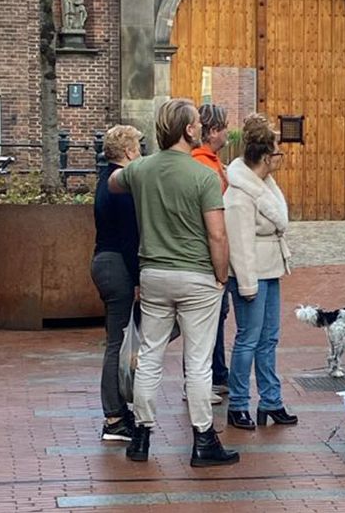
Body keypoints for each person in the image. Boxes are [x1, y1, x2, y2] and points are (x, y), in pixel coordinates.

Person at [109, 99, 239, 467]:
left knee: (150, 355)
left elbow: (114, 181)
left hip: (153, 274)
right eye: (197, 122)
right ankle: (203, 439)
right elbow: (217, 236)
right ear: (188, 130)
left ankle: (142, 436)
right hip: (196, 274)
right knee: (197, 361)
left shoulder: (144, 170)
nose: (200, 126)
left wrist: (137, 171)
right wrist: (221, 276)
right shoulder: (203, 176)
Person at [223, 114, 296, 430]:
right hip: (251, 273)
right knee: (248, 339)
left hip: (271, 268)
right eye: (277, 152)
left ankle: (271, 399)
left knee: (269, 338)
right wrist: (247, 284)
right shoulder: (240, 194)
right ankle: (238, 403)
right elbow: (239, 244)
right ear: (266, 157)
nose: (280, 158)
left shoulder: (265, 184)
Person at [90, 124, 142, 443]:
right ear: (127, 152)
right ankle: (114, 417)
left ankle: (118, 412)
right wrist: (137, 279)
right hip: (117, 265)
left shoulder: (104, 180)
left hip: (105, 262)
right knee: (118, 343)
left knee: (119, 341)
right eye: (138, 147)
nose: (141, 152)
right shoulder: (119, 185)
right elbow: (128, 238)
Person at [190, 103, 231, 401]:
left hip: (210, 252)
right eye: (225, 126)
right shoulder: (203, 165)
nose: (229, 131)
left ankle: (217, 373)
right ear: (214, 131)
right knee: (206, 321)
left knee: (217, 318)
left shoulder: (213, 162)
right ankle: (205, 379)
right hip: (205, 254)